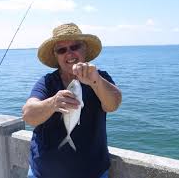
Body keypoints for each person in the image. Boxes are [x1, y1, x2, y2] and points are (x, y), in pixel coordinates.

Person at [22, 23, 122, 178]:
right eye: (61, 50)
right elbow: (28, 116)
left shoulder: (99, 78)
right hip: (42, 173)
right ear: (56, 56)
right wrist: (53, 103)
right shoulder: (47, 82)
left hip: (93, 172)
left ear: (84, 50)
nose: (69, 54)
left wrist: (96, 81)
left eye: (75, 47)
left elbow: (113, 104)